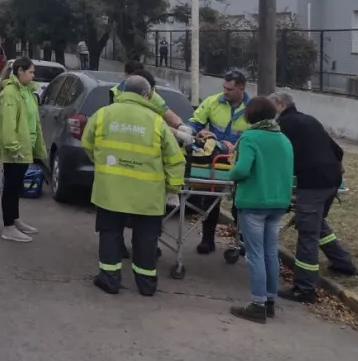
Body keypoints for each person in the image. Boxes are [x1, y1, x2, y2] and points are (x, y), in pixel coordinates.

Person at [82, 75, 185, 296]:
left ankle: (109, 280)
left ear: (122, 91)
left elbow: (87, 143)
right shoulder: (156, 121)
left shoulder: (103, 114)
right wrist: (173, 189)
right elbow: (175, 159)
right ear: (147, 95)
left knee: (110, 234)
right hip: (148, 194)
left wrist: (103, 165)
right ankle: (146, 285)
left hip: (111, 190)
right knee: (146, 238)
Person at [270, 91, 358, 304]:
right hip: (331, 179)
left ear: (280, 105)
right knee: (318, 223)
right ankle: (343, 263)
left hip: (313, 182)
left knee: (307, 232)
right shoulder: (309, 120)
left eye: (271, 107)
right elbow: (337, 150)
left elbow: (276, 156)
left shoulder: (284, 126)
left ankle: (305, 288)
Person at [227, 96, 294, 324]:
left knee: (254, 254)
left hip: (254, 202)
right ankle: (270, 301)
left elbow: (243, 169)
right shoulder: (283, 139)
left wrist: (230, 172)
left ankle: (257, 305)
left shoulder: (250, 137)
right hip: (278, 203)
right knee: (269, 252)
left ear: (250, 115)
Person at [188, 69, 251, 254]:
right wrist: (197, 133)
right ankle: (208, 241)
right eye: (224, 88)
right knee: (209, 201)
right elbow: (194, 123)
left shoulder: (252, 108)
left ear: (241, 88)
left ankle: (243, 243)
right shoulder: (212, 102)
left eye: (230, 89)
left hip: (241, 162)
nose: (225, 92)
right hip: (215, 163)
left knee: (241, 205)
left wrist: (236, 146)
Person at [0, 56, 48, 243]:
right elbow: (8, 123)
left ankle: (15, 220)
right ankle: (8, 227)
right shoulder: (10, 93)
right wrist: (13, 147)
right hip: (15, 149)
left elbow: (32, 121)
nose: (33, 75)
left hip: (26, 147)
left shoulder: (26, 91)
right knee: (11, 186)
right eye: (31, 72)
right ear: (20, 71)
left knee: (16, 187)